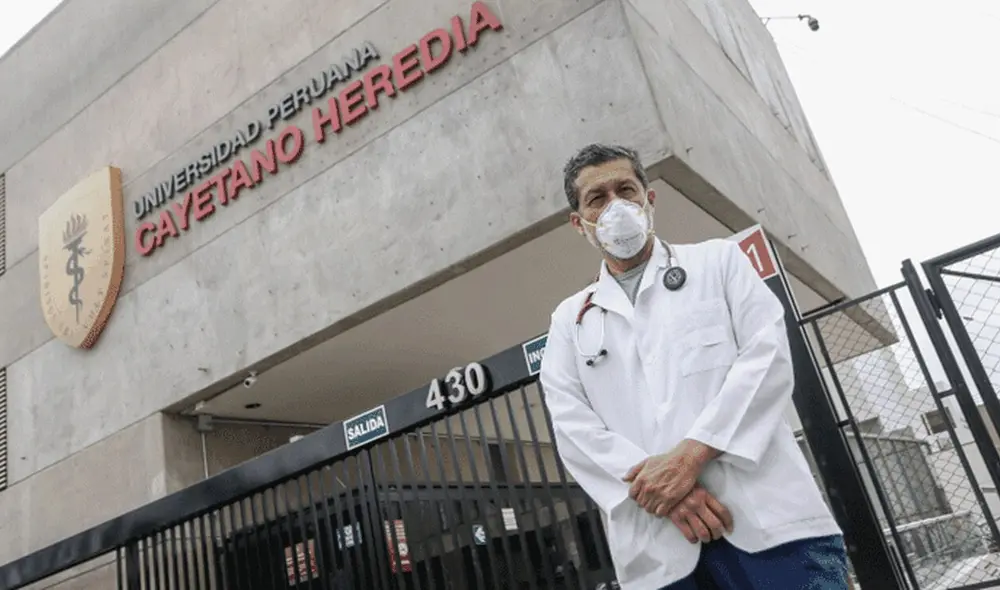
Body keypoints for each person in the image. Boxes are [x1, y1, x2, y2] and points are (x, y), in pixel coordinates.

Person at [538, 144, 849, 589]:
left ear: (649, 199)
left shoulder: (718, 262)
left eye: (626, 190)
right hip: (659, 548)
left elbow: (766, 357)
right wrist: (664, 492)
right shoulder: (570, 320)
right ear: (578, 222)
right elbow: (572, 426)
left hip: (772, 528)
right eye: (597, 198)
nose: (615, 207)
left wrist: (690, 457)